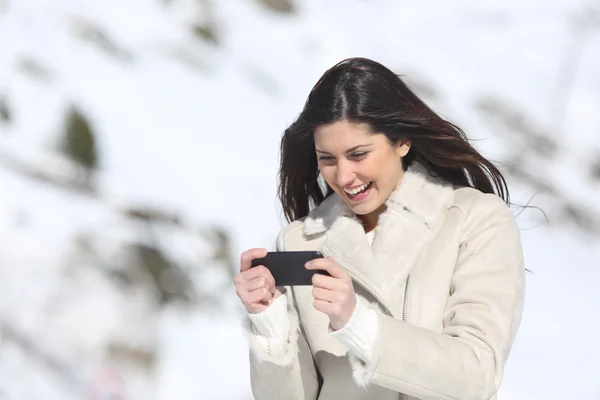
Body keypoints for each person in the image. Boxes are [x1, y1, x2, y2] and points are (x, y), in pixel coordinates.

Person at [234, 57, 525, 400]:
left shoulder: (474, 220)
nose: (343, 177)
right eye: (327, 159)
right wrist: (270, 323)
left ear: (402, 141)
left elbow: (478, 372)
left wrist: (358, 323)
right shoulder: (300, 239)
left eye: (358, 154)